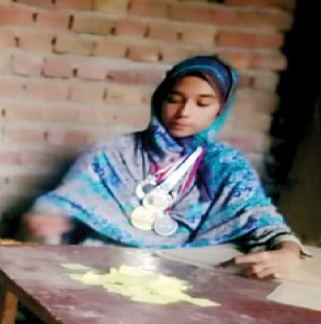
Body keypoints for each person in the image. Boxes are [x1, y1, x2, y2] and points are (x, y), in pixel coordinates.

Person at [23, 55, 305, 279]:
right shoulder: (113, 153)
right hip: (104, 269)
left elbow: (261, 219)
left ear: (220, 110)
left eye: (202, 103)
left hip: (189, 278)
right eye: (174, 99)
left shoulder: (227, 165)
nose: (184, 112)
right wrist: (47, 218)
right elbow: (62, 203)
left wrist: (288, 254)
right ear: (160, 99)